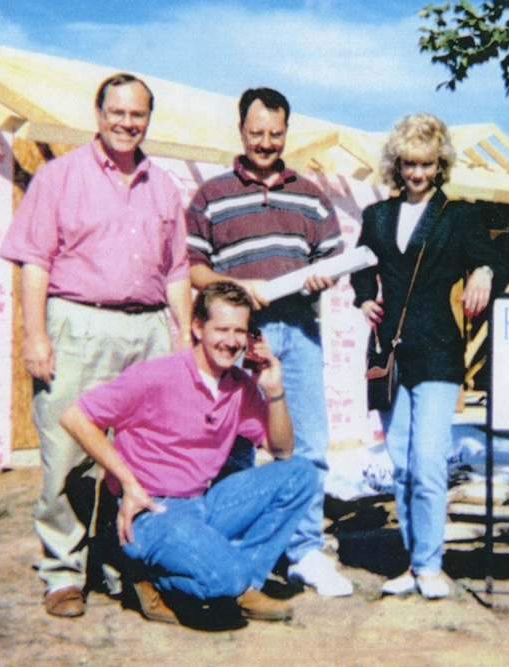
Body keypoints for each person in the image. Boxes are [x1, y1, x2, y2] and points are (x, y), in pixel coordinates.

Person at [0, 72, 192, 619]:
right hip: (78, 326)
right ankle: (63, 573)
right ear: (98, 113)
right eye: (117, 112)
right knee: (68, 455)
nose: (127, 123)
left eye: (138, 114)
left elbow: (176, 269)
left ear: (148, 119)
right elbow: (34, 262)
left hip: (150, 329)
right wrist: (35, 335)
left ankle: (123, 566)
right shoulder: (59, 177)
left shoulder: (164, 186)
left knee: (141, 455)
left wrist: (181, 335)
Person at [59, 282, 315, 624]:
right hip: (152, 511)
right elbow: (75, 417)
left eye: (240, 331)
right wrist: (128, 482)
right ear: (197, 327)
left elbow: (283, 450)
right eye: (221, 329)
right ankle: (148, 573)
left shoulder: (239, 386)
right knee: (228, 575)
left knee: (301, 474)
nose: (232, 341)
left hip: (201, 504)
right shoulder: (158, 375)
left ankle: (241, 584)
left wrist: (275, 390)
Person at [185, 87, 352, 597]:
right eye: (256, 133)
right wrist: (235, 290)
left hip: (299, 332)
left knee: (306, 444)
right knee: (233, 443)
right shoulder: (210, 195)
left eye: (275, 134)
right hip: (237, 337)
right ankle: (234, 543)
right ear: (240, 130)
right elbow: (194, 269)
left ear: (286, 132)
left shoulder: (311, 194)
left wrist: (325, 276)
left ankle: (304, 552)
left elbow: (333, 259)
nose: (265, 142)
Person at [350, 113, 508, 599]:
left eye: (426, 164)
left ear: (440, 165)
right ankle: (412, 563)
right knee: (399, 463)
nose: (417, 173)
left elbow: (493, 260)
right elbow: (360, 266)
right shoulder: (376, 217)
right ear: (396, 164)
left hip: (439, 350)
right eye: (409, 164)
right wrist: (362, 297)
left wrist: (482, 271)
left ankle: (431, 564)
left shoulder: (458, 215)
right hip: (388, 353)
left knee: (428, 462)